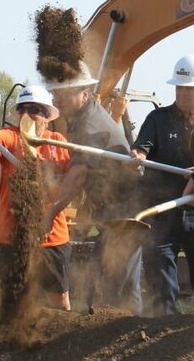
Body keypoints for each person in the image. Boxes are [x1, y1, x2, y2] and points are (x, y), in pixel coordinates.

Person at [0, 85, 74, 312]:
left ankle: (60, 343)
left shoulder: (57, 142)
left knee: (59, 302)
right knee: (15, 300)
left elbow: (76, 176)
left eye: (34, 109)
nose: (27, 115)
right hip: (11, 236)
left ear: (46, 116)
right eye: (22, 109)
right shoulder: (11, 138)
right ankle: (15, 339)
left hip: (51, 236)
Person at [133, 56, 194, 320]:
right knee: (161, 291)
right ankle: (162, 340)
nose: (182, 93)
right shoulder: (158, 119)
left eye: (188, 88)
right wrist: (137, 156)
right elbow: (142, 148)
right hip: (161, 212)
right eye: (179, 88)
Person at [48, 64, 143, 314]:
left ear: (85, 94)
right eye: (54, 93)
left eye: (64, 92)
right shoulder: (81, 119)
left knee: (105, 284)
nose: (57, 98)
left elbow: (78, 175)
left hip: (122, 212)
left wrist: (51, 213)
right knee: (123, 284)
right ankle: (133, 334)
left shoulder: (90, 125)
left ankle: (114, 334)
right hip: (114, 209)